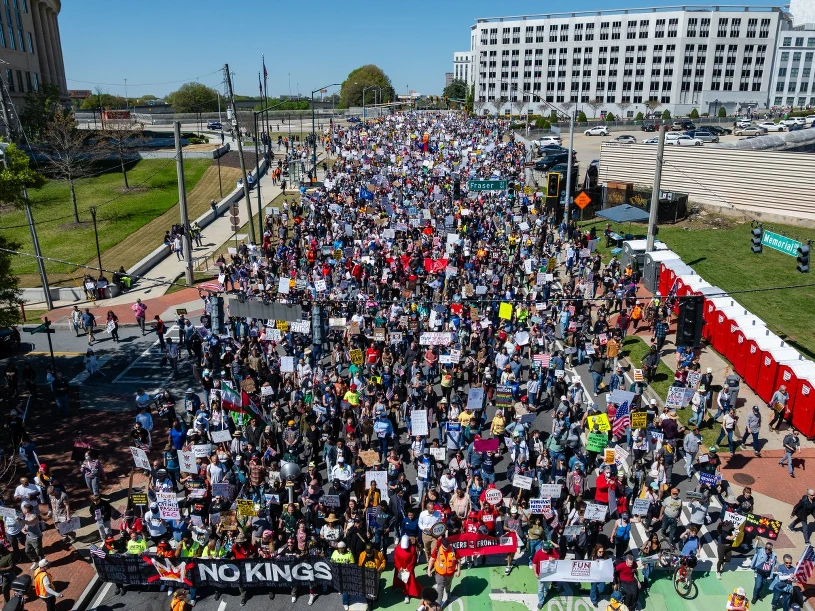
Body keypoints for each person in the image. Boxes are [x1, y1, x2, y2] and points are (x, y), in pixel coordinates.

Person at [427, 537, 459, 608]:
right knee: (440, 587)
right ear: (441, 545)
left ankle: (448, 592)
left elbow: (457, 560)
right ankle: (438, 603)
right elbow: (432, 559)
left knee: (448, 584)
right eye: (444, 548)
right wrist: (429, 570)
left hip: (450, 573)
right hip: (440, 573)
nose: (446, 549)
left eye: (447, 547)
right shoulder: (437, 550)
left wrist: (458, 571)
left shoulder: (453, 550)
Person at [393, 535, 421, 604]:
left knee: (408, 582)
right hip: (400, 568)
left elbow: (413, 560)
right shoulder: (397, 548)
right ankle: (400, 588)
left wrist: (408, 568)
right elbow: (395, 558)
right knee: (399, 579)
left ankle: (406, 594)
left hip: (408, 569)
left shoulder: (412, 549)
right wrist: (399, 567)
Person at [532, 540, 559, 609]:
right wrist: (535, 573)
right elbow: (534, 564)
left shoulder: (552, 550)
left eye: (548, 549)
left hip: (550, 574)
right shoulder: (538, 553)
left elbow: (558, 558)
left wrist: (554, 558)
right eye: (545, 550)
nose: (547, 551)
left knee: (547, 585)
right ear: (542, 548)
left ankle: (546, 590)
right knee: (540, 589)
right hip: (541, 575)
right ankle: (541, 602)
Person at [330, 541, 355, 611]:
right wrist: (331, 561)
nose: (340, 550)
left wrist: (348, 564)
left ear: (345, 548)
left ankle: (345, 603)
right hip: (337, 574)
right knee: (340, 586)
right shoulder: (335, 552)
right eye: (339, 548)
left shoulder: (349, 554)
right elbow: (331, 560)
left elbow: (353, 565)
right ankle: (340, 589)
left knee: (345, 589)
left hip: (346, 575)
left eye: (342, 548)